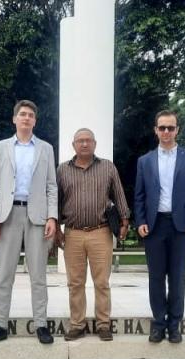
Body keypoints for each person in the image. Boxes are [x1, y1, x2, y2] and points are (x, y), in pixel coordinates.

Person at [0, 100, 58, 345]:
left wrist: (52, 217)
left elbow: (51, 186)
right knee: (4, 275)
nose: (26, 118)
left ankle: (41, 325)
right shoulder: (1, 147)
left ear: (35, 121)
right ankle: (0, 325)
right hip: (8, 215)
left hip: (37, 216)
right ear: (14, 119)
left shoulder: (45, 149)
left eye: (30, 115)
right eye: (22, 114)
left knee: (39, 275)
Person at [134, 110, 185, 344]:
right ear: (155, 130)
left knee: (177, 278)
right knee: (156, 277)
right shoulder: (145, 161)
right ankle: (158, 323)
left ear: (177, 130)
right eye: (162, 127)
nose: (166, 132)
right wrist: (141, 221)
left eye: (170, 128)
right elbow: (139, 196)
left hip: (181, 226)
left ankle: (174, 325)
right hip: (154, 225)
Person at [56, 128, 130, 342]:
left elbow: (119, 194)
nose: (84, 144)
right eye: (80, 141)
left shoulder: (107, 167)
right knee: (75, 283)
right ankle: (77, 324)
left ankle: (103, 324)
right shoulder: (62, 170)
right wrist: (55, 229)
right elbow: (56, 201)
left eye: (88, 140)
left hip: (101, 231)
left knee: (102, 282)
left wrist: (125, 221)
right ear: (73, 145)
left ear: (95, 144)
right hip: (73, 234)